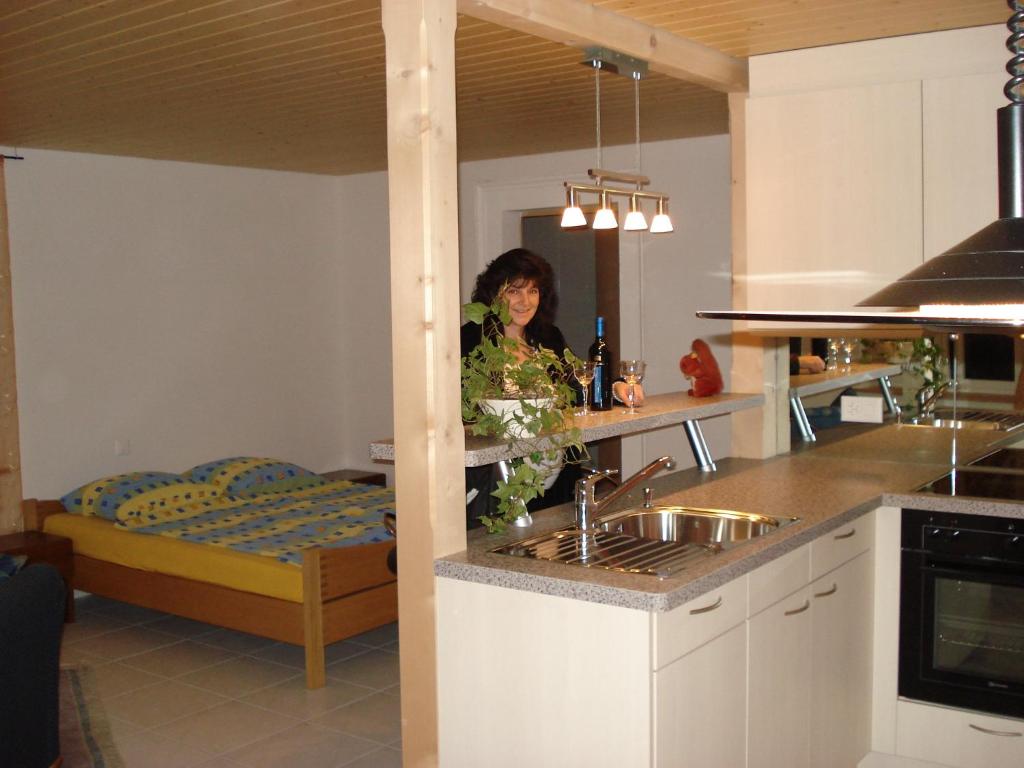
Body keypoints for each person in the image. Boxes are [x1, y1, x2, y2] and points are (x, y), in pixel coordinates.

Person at [461, 248, 583, 527]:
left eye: (533, 291)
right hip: (498, 476)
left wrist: (618, 389)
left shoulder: (548, 337)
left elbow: (576, 386)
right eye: (514, 291)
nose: (525, 301)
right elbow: (464, 412)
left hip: (553, 479)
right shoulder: (470, 339)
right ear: (495, 295)